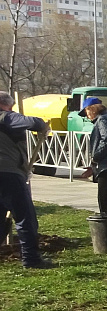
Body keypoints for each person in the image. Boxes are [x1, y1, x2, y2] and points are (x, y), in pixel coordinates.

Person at [0, 91, 54, 268]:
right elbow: (35, 123)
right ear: (6, 105)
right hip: (8, 174)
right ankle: (31, 259)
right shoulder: (6, 117)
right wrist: (42, 126)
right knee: (25, 218)